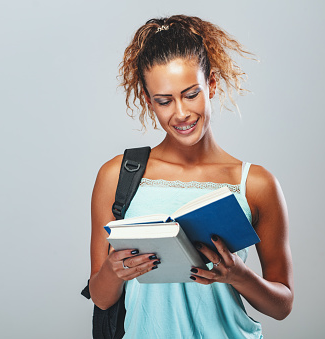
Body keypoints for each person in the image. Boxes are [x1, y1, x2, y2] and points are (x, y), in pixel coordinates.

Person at [87, 15, 294, 338]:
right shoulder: (116, 175)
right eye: (164, 101)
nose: (181, 113)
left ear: (211, 84)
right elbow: (101, 297)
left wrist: (238, 275)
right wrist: (114, 272)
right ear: (148, 100)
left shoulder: (255, 184)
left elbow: (282, 305)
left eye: (191, 94)